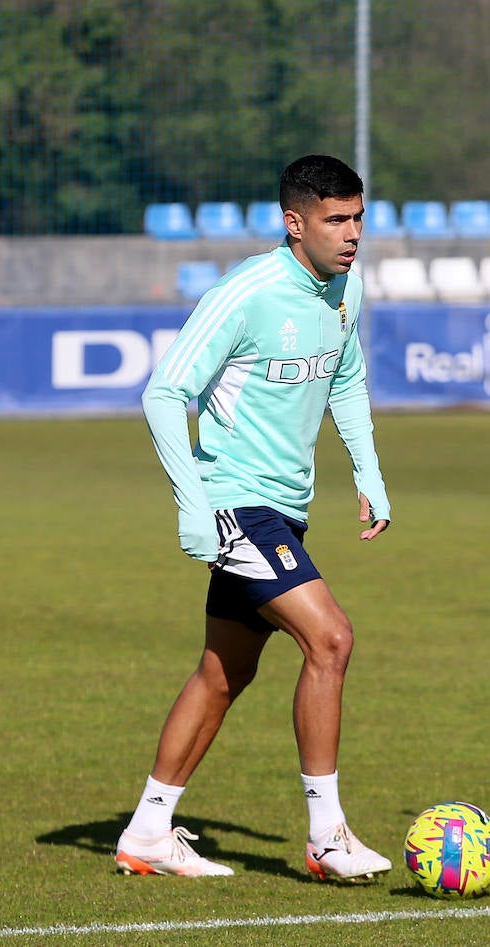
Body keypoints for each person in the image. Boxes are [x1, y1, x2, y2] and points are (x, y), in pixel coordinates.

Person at [115, 154, 394, 879]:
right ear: (294, 222)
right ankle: (327, 836)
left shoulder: (345, 291)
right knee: (330, 640)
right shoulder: (248, 292)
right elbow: (163, 392)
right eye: (336, 219)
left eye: (359, 216)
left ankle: (148, 829)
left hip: (284, 509)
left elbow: (349, 378)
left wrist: (369, 472)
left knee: (223, 673)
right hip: (238, 504)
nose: (352, 232)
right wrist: (193, 508)